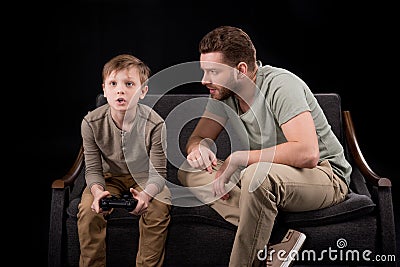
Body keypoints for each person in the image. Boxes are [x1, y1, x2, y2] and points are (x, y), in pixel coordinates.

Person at [177, 26, 351, 267]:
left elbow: (308, 154)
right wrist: (200, 149)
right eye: (204, 71)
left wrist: (239, 158)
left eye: (213, 72)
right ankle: (278, 238)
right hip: (270, 177)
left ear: (240, 70)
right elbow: (196, 139)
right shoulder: (222, 94)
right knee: (189, 169)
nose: (205, 80)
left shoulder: (281, 85)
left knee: (255, 176)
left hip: (324, 175)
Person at [77, 54, 171, 267]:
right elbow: (92, 168)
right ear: (104, 89)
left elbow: (158, 172)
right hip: (109, 178)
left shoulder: (155, 124)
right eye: (113, 84)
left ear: (143, 91)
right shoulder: (91, 123)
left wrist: (147, 195)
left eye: (129, 84)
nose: (120, 90)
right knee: (88, 211)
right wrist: (97, 191)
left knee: (158, 208)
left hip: (145, 178)